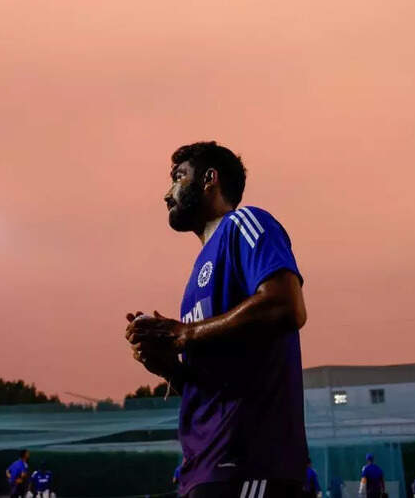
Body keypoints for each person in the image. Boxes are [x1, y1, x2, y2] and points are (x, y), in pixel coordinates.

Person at [126, 141, 309, 498]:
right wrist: (169, 367)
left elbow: (286, 305)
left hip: (249, 460)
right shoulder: (196, 276)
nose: (167, 193)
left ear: (210, 179)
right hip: (205, 466)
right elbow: (214, 385)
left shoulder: (245, 223)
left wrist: (184, 334)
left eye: (178, 178)